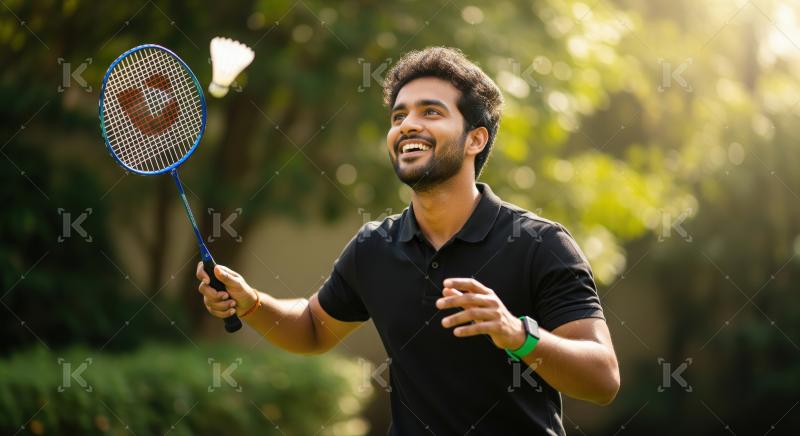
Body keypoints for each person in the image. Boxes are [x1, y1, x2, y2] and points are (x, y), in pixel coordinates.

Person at [196, 46, 619, 435]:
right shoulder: (375, 247)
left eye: (431, 112)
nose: (408, 125)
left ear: (475, 138)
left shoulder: (539, 244)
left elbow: (602, 380)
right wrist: (251, 302)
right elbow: (312, 328)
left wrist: (517, 334)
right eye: (399, 116)